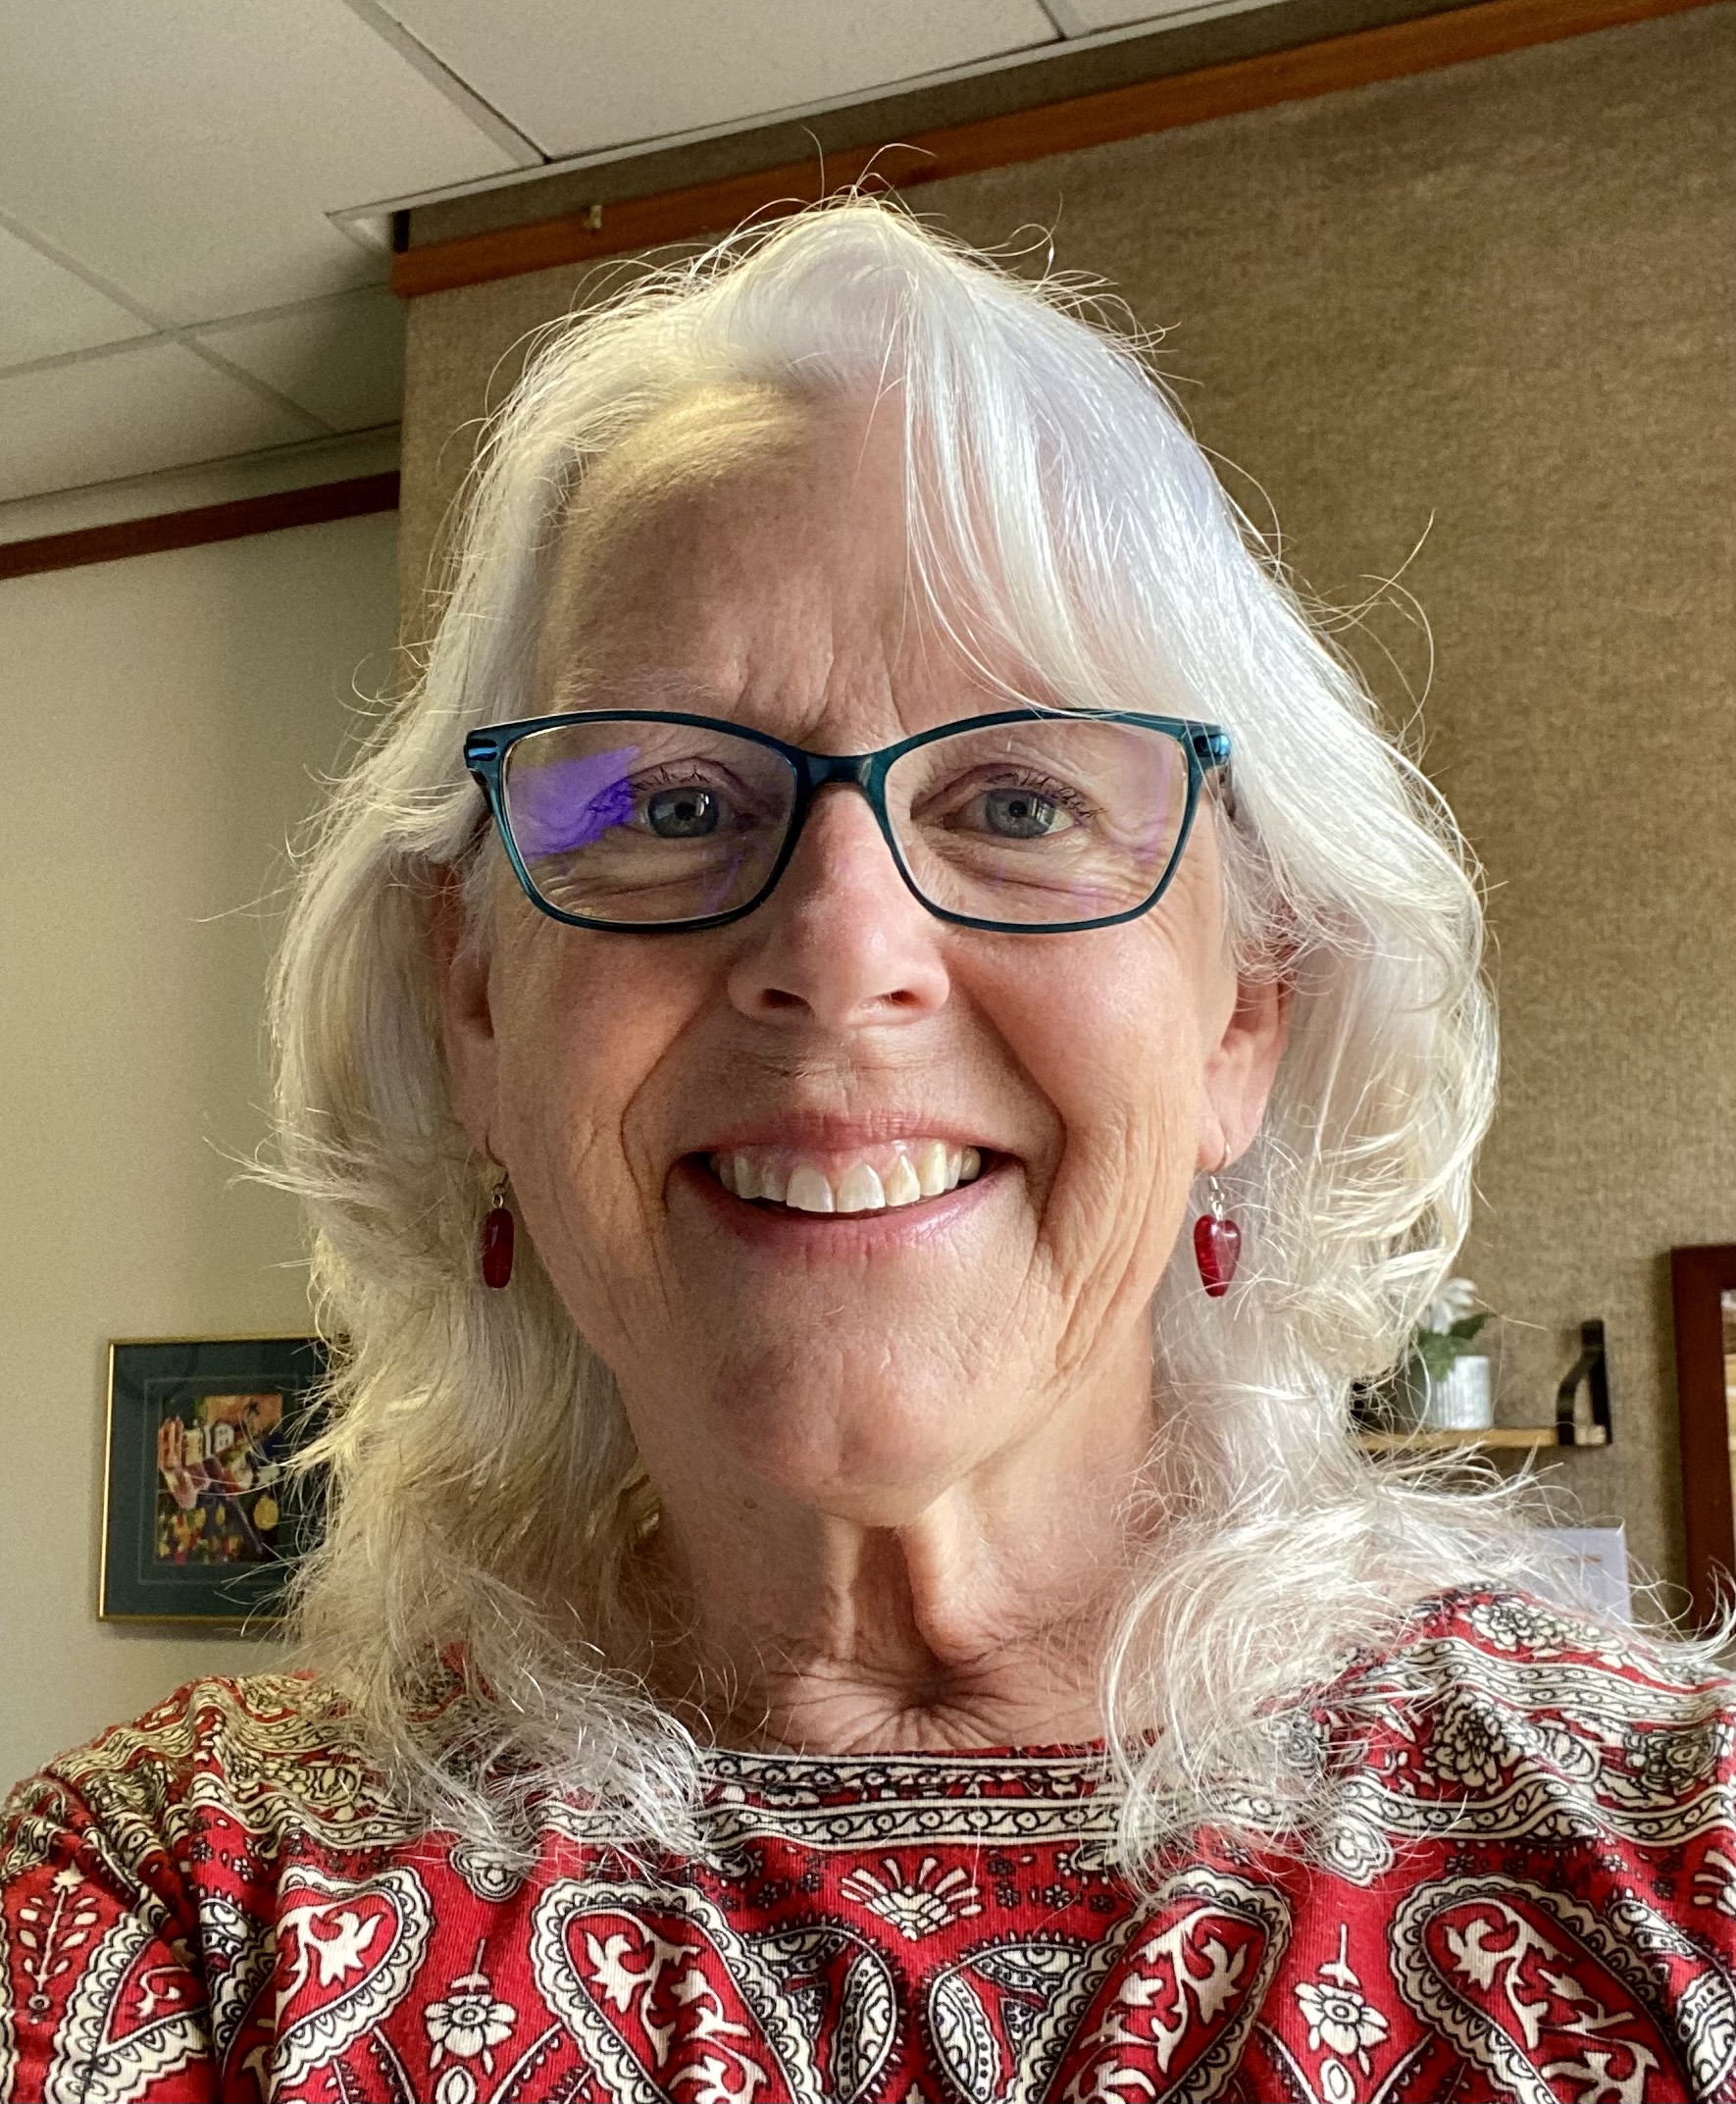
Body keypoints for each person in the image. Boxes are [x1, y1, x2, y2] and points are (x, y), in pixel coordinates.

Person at [5, 200, 1733, 2104]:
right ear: (478, 999)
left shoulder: (1686, 1868)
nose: (840, 952)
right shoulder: (163, 1912)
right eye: (669, 799)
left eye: (1015, 797)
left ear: (1244, 1006)